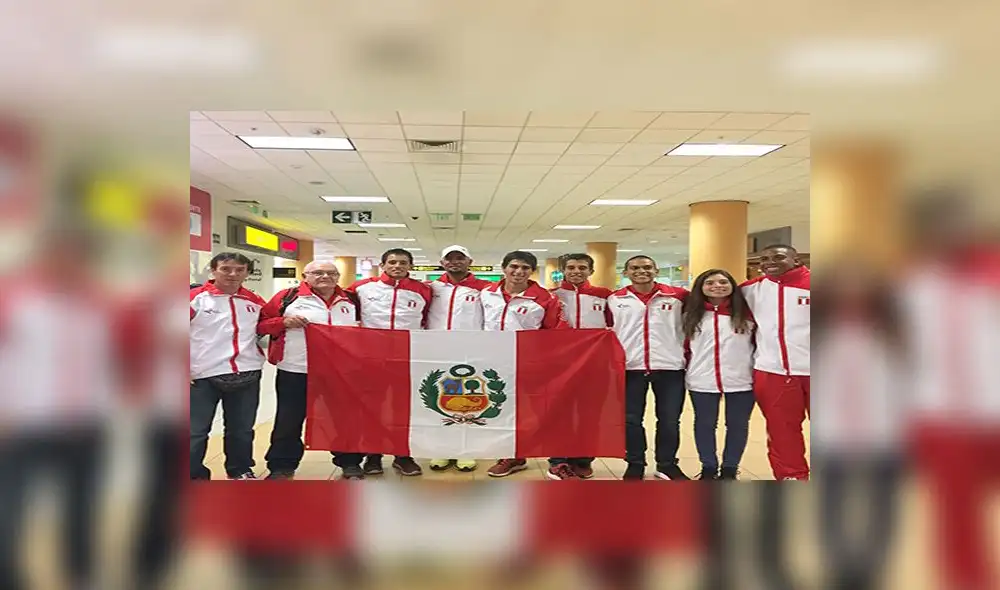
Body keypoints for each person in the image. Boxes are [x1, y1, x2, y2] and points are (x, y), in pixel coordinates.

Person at [257, 261, 362, 480]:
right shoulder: (288, 297)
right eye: (318, 273)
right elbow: (261, 324)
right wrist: (283, 322)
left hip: (340, 372)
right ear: (305, 275)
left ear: (338, 276)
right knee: (289, 419)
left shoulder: (351, 300)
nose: (325, 276)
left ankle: (349, 462)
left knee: (343, 418)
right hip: (296, 370)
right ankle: (281, 465)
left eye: (331, 273)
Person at [482, 250, 569, 477]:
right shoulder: (487, 294)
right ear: (504, 268)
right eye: (514, 267)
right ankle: (512, 456)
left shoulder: (546, 299)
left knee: (543, 412)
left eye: (525, 268)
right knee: (506, 411)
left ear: (532, 271)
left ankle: (557, 460)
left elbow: (555, 333)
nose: (519, 272)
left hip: (530, 363)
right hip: (495, 363)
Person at [346, 248, 432, 477]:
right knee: (373, 408)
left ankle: (403, 455)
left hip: (407, 358)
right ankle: (373, 455)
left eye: (403, 262)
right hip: (370, 358)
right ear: (382, 265)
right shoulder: (361, 287)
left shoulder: (422, 290)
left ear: (410, 266)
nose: (397, 266)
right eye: (392, 262)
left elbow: (425, 320)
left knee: (403, 408)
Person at [607, 255, 690, 481]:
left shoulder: (679, 296)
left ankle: (667, 464)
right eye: (634, 268)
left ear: (656, 269)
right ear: (626, 273)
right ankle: (635, 463)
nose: (641, 271)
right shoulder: (615, 299)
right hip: (630, 368)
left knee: (670, 419)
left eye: (647, 267)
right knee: (631, 419)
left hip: (670, 367)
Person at [189, 252, 267, 480]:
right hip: (201, 375)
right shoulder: (195, 298)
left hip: (247, 373)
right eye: (226, 269)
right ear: (213, 271)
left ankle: (240, 469)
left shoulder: (253, 300)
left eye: (240, 270)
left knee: (241, 430)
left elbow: (267, 325)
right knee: (195, 431)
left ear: (247, 273)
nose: (233, 274)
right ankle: (193, 475)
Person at [740, 244, 811, 480]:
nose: (770, 262)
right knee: (782, 431)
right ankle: (792, 477)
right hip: (773, 372)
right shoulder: (751, 290)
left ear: (797, 260)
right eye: (764, 258)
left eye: (778, 257)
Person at [681, 268, 755, 481]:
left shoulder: (746, 313)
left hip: (742, 380)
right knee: (704, 425)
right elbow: (684, 346)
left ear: (732, 285)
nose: (717, 286)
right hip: (702, 380)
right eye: (710, 283)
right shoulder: (690, 314)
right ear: (701, 288)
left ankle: (730, 468)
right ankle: (708, 466)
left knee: (738, 425)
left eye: (723, 281)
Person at [546, 253, 613, 480]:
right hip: (561, 365)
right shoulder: (552, 296)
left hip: (595, 364)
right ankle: (558, 460)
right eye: (571, 267)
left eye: (582, 267)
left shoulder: (605, 296)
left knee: (590, 413)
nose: (576, 271)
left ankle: (583, 459)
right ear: (563, 271)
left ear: (591, 271)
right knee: (560, 413)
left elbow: (614, 326)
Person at [426, 245, 493, 473]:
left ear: (469, 261)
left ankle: (466, 450)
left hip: (471, 352)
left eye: (460, 258)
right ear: (442, 262)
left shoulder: (486, 288)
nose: (455, 262)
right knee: (438, 399)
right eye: (449, 258)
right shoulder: (431, 288)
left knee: (468, 400)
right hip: (436, 352)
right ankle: (441, 449)